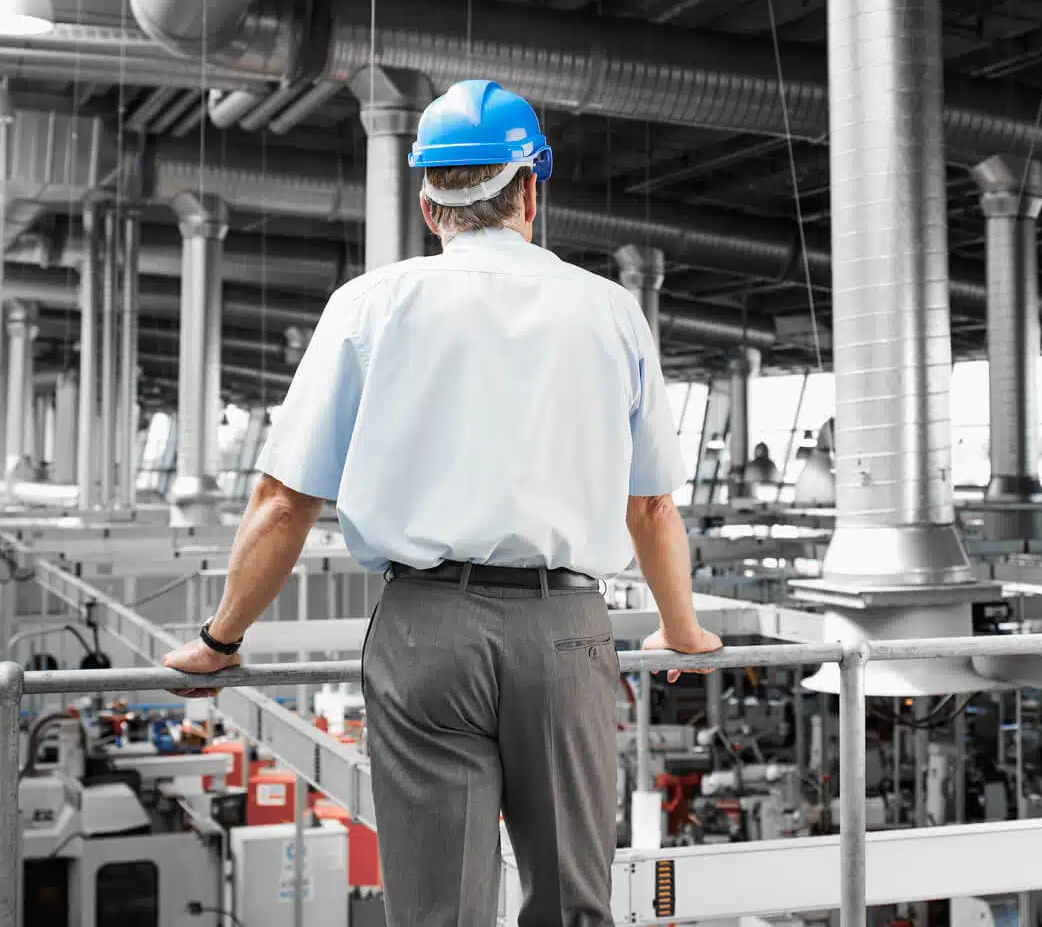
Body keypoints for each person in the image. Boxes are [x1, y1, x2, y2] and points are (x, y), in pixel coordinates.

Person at [160, 79, 723, 926]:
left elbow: (283, 502)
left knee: (440, 910)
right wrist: (680, 631)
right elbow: (652, 509)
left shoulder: (370, 306)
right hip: (566, 630)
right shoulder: (612, 311)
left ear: (429, 206)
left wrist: (221, 640)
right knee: (574, 901)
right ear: (531, 191)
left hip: (427, 634)